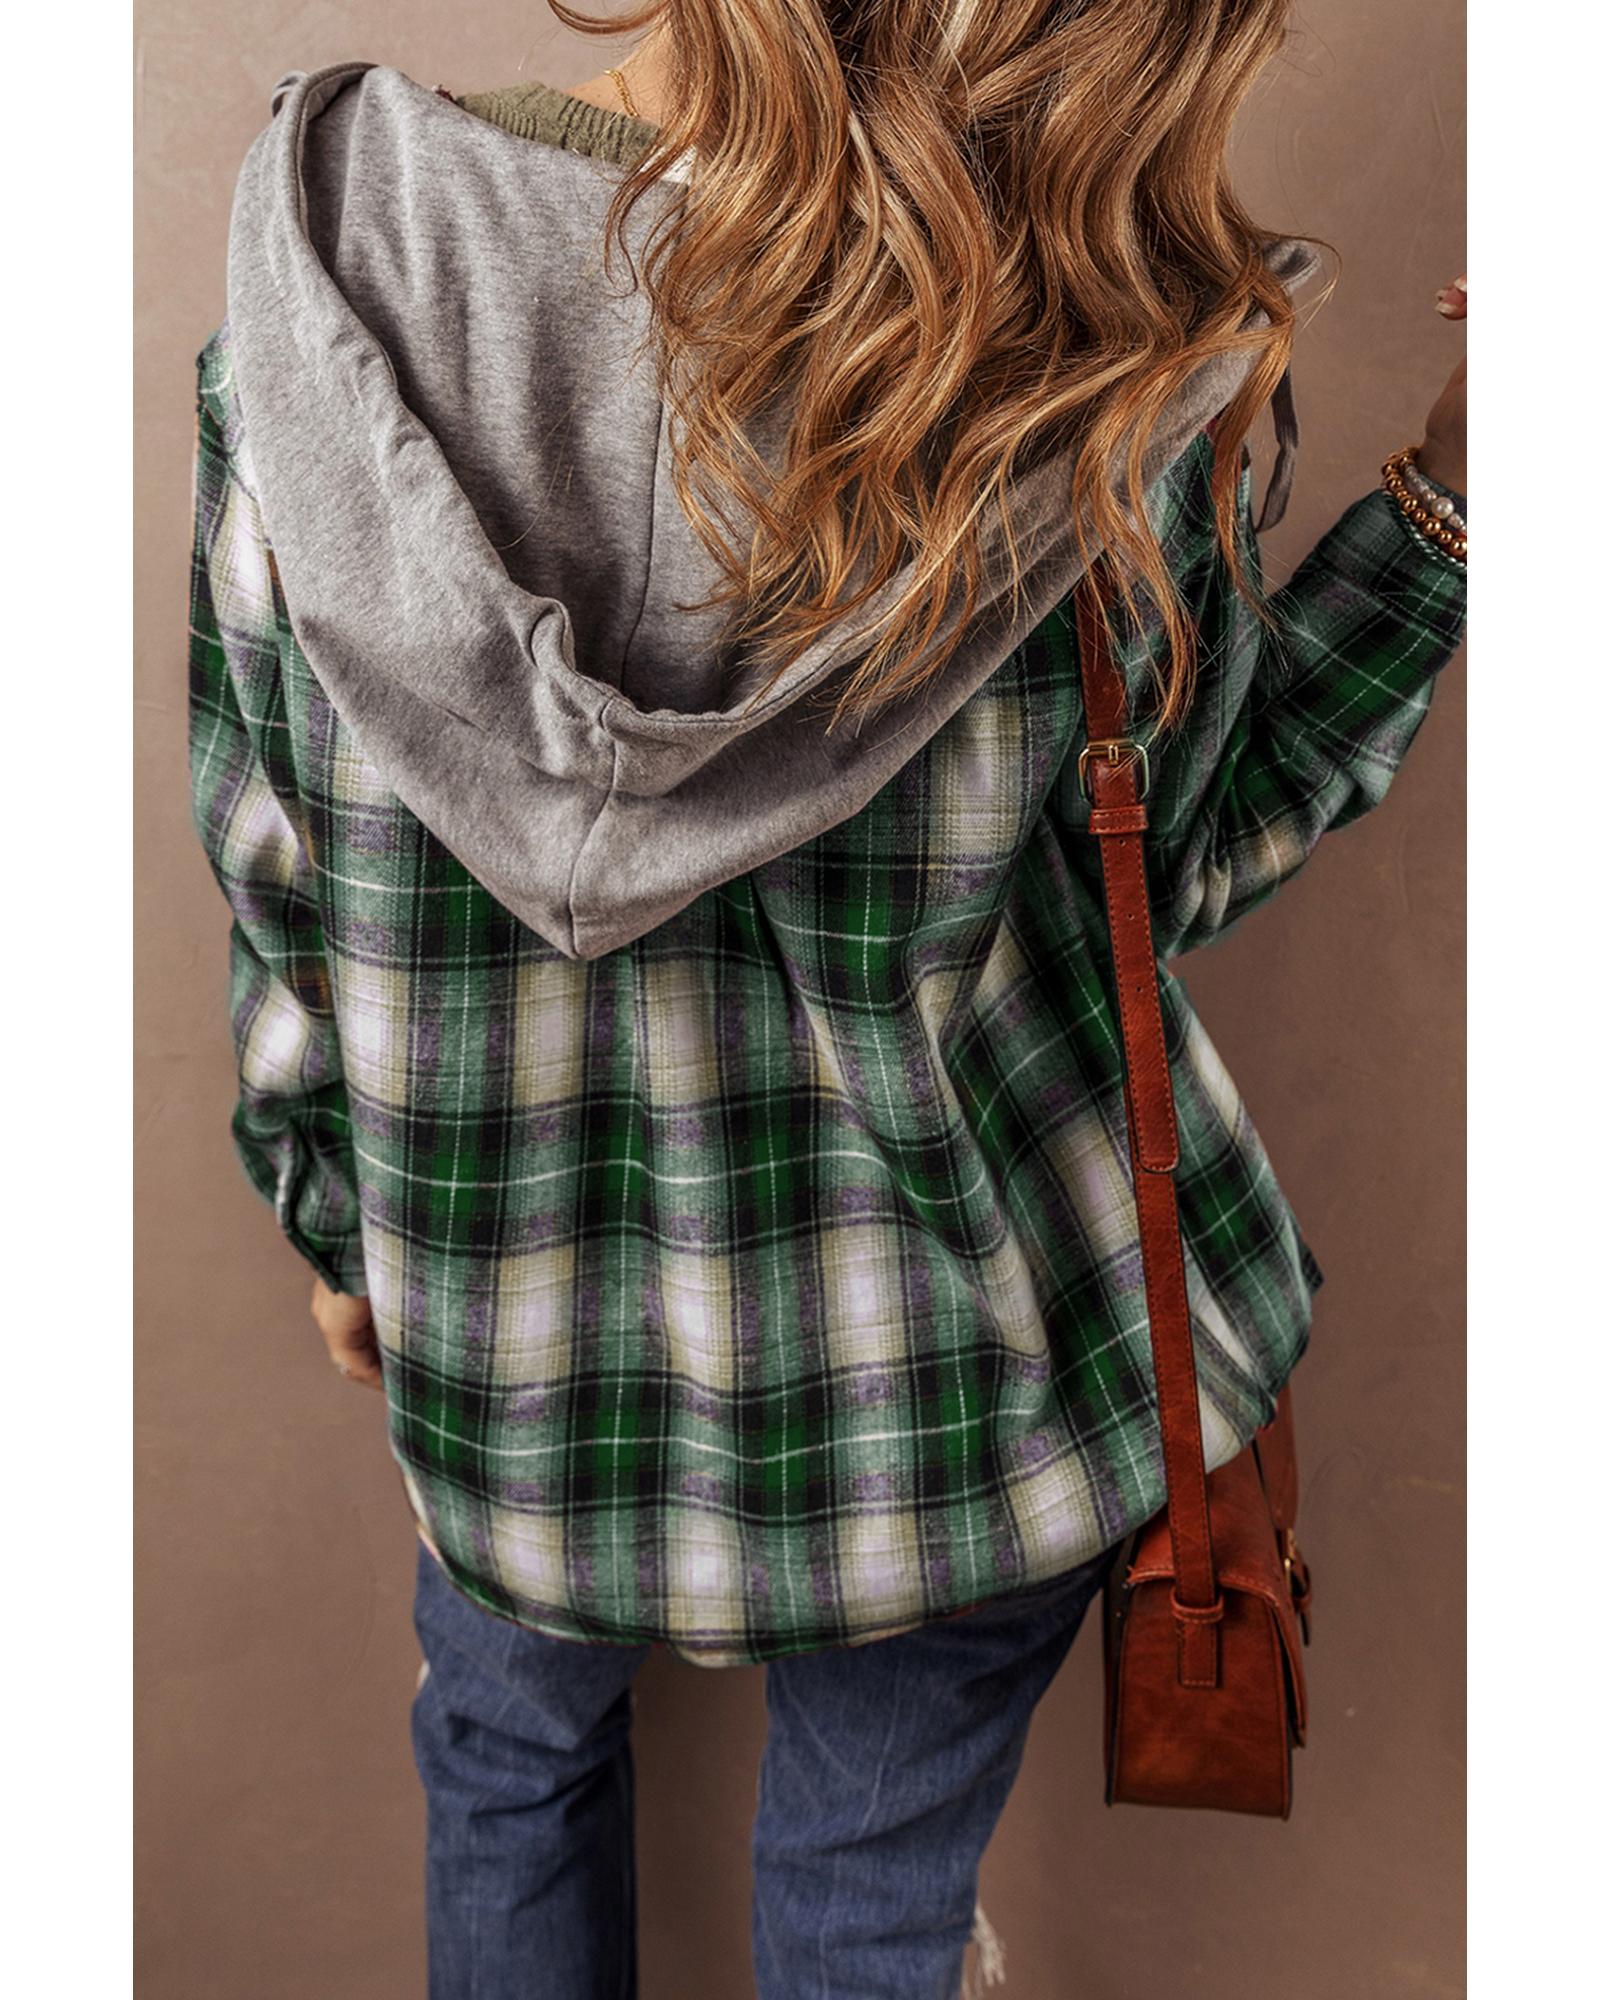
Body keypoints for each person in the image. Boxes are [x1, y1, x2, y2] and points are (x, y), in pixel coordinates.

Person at [186, 5, 1467, 1995]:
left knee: (508, 1771)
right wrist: (1456, 502)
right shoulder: (1110, 358)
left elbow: (274, 850)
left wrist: (342, 1224)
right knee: (865, 1900)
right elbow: (1181, 860)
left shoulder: (342, 270)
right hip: (958, 1394)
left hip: (507, 1359)